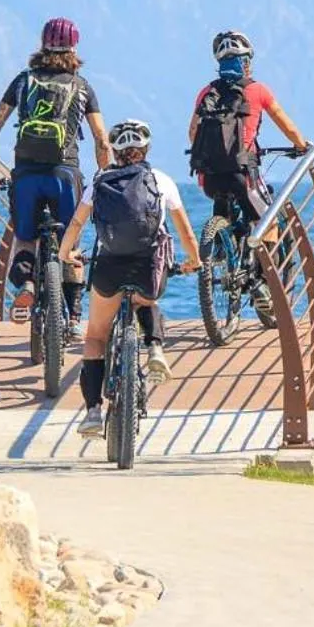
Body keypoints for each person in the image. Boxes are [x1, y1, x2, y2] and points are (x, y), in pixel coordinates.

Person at [58, 119, 202, 438]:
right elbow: (186, 231)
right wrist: (194, 260)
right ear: (145, 149)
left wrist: (64, 254)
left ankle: (93, 412)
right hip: (148, 264)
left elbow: (76, 224)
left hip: (110, 265)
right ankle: (154, 349)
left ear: (116, 151)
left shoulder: (100, 182)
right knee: (145, 301)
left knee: (95, 336)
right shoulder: (160, 180)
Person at [0, 18, 111, 325]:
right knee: (71, 244)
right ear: (74, 47)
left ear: (42, 45)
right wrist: (105, 175)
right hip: (65, 173)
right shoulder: (81, 86)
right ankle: (74, 315)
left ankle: (25, 283)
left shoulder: (23, 81)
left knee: (25, 239)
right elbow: (101, 139)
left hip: (26, 174)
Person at [187, 30, 310, 230]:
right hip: (242, 175)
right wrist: (301, 145)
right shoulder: (258, 90)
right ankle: (265, 261)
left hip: (208, 178)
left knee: (225, 211)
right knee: (269, 223)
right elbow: (286, 125)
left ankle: (219, 246)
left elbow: (193, 132)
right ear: (246, 63)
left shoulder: (207, 92)